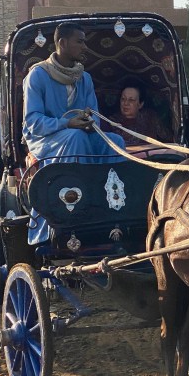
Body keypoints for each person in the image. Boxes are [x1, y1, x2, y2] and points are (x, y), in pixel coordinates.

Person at [22, 22, 125, 244]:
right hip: (45, 138)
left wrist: (89, 122)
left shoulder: (84, 78)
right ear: (62, 43)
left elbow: (94, 115)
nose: (84, 46)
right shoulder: (38, 76)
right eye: (80, 41)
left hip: (78, 133)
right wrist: (67, 124)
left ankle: (111, 205)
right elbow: (33, 122)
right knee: (76, 138)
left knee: (115, 141)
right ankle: (74, 207)